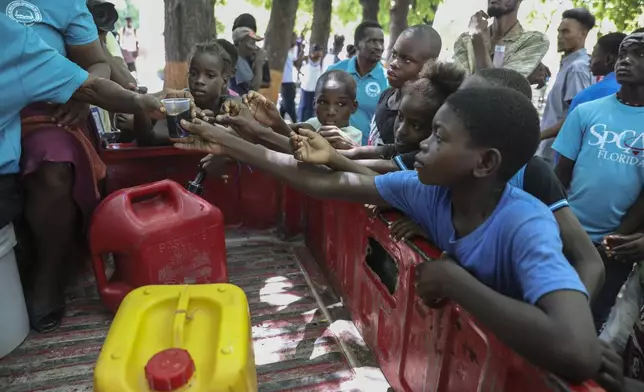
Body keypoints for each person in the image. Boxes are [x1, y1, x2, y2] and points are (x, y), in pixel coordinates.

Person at [173, 86, 601, 383]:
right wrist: (227, 142)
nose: (423, 148)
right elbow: (322, 183)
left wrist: (455, 282)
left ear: (485, 163)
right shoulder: (428, 189)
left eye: (438, 136)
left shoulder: (526, 223)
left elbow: (578, 351)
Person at [0, 12, 166, 331]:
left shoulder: (16, 42)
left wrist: (137, 102)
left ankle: (45, 280)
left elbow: (91, 85)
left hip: (55, 109)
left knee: (52, 163)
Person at [455, 68, 605, 300]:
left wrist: (569, 322)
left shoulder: (531, 172)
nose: (454, 107)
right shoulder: (446, 158)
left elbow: (590, 262)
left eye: (471, 102)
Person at [553, 32, 644, 332]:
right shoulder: (587, 112)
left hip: (613, 249)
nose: (626, 60)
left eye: (639, 54)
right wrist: (562, 225)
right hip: (565, 236)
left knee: (586, 323)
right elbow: (559, 176)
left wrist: (618, 235)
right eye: (622, 54)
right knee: (548, 308)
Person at [338, 61, 464, 174]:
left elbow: (386, 166)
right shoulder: (404, 145)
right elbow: (359, 152)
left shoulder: (421, 156)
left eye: (416, 125)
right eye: (400, 117)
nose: (401, 130)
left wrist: (332, 158)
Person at [134, 41, 235, 146]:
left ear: (225, 80)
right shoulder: (178, 105)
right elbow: (149, 140)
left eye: (209, 75)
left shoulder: (233, 108)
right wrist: (140, 106)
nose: (199, 80)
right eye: (193, 73)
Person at [368, 24, 442, 146]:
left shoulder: (421, 113)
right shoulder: (387, 95)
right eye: (394, 54)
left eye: (407, 60)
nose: (394, 63)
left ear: (429, 66)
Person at [538, 8, 595, 166]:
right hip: (549, 151)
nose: (560, 37)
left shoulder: (577, 68)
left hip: (557, 156)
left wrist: (539, 135)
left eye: (566, 32)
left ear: (583, 34)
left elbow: (576, 116)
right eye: (559, 32)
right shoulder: (568, 64)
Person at [453, 0, 549, 78]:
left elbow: (496, 88)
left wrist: (478, 40)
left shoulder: (534, 41)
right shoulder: (465, 40)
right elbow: (461, 87)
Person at [327, 21, 388, 144]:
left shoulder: (387, 80)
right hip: (330, 145)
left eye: (381, 42)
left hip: (364, 153)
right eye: (372, 41)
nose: (379, 47)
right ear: (357, 44)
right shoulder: (334, 71)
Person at [569, 32, 626, 113]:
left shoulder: (587, 97)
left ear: (608, 59)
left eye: (594, 54)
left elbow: (572, 125)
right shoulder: (635, 91)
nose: (589, 60)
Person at [301, 70, 362, 146]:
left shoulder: (353, 136)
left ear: (354, 106)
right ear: (314, 104)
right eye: (323, 102)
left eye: (340, 104)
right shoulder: (312, 123)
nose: (331, 112)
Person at [231, 13, 270, 92]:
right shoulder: (238, 61)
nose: (255, 47)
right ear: (241, 42)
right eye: (252, 43)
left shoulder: (242, 60)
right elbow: (253, 89)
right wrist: (258, 63)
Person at [299, 44, 325, 123]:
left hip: (315, 89)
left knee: (311, 110)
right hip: (307, 88)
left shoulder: (321, 62)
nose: (319, 53)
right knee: (304, 109)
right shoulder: (310, 59)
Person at [280, 32, 302, 122]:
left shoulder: (290, 51)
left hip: (289, 80)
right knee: (289, 105)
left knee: (285, 104)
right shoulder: (283, 51)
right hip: (286, 81)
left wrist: (301, 51)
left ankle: (280, 119)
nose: (295, 41)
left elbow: (296, 63)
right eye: (294, 38)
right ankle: (295, 122)